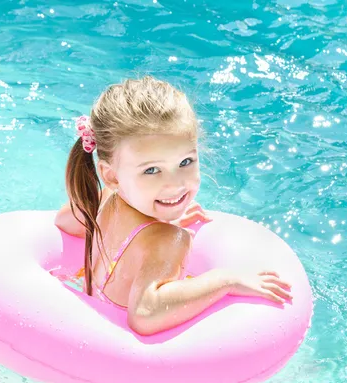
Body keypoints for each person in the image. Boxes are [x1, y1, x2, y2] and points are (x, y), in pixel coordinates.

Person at [55, 76, 292, 336]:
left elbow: (64, 221)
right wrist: (226, 280)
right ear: (112, 174)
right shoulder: (167, 239)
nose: (174, 184)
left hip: (91, 321)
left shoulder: (104, 197)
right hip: (132, 361)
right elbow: (145, 315)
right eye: (152, 170)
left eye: (185, 162)